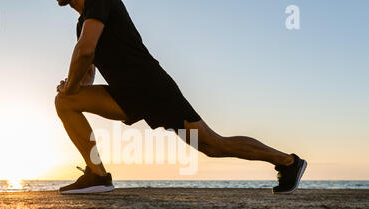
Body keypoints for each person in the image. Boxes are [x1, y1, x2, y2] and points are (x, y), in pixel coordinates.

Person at [54, 0, 307, 195]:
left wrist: (73, 85)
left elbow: (85, 52)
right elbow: (87, 68)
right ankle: (98, 175)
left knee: (212, 145)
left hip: (152, 88)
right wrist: (73, 85)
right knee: (65, 101)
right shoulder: (82, 23)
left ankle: (287, 161)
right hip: (125, 94)